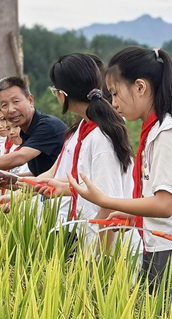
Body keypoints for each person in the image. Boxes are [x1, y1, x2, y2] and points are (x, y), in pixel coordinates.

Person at [68, 46, 172, 292]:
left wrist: (104, 200)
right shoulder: (157, 132)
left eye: (115, 93)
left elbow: (165, 205)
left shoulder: (167, 134)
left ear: (140, 87)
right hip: (163, 249)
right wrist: (134, 216)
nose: (113, 103)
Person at [32, 53, 134, 252]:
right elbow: (94, 186)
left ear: (62, 94)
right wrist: (67, 188)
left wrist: (99, 260)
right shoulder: (89, 131)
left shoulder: (101, 138)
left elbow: (108, 203)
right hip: (93, 243)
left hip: (107, 253)